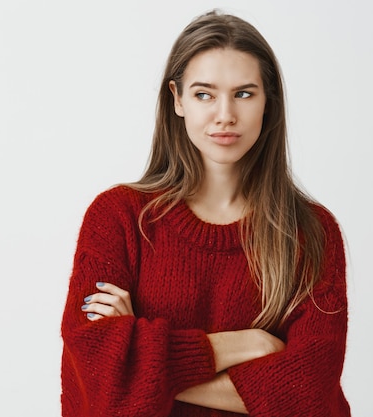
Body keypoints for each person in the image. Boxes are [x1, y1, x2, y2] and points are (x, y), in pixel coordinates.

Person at [61, 10, 350, 417]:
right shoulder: (118, 217)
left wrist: (142, 367)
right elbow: (97, 373)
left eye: (245, 93)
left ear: (269, 102)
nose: (225, 114)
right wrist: (248, 344)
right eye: (204, 94)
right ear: (177, 99)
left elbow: (306, 393)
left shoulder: (311, 232)